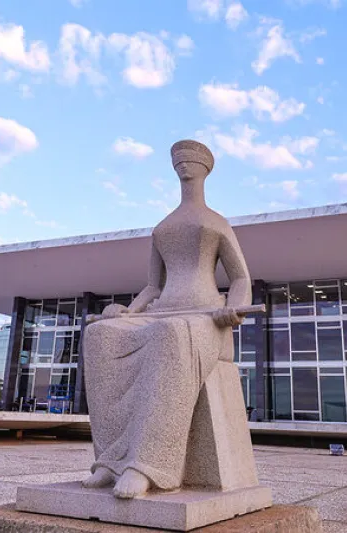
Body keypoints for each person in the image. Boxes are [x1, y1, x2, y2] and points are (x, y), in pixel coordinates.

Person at [81, 140, 251, 499]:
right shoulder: (162, 228)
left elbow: (240, 278)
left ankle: (147, 464)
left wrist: (233, 308)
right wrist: (129, 312)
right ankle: (111, 459)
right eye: (179, 160)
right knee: (100, 336)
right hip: (162, 312)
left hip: (207, 318)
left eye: (190, 160)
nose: (184, 165)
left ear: (205, 168)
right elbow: (152, 287)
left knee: (170, 334)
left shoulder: (216, 223)